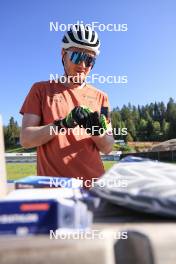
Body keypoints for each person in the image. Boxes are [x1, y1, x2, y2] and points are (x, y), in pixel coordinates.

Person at [20, 24, 114, 187]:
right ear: (63, 54)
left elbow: (108, 147)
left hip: (94, 187)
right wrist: (63, 124)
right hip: (54, 190)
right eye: (77, 56)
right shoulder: (40, 90)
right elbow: (26, 139)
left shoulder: (102, 98)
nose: (83, 65)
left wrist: (95, 131)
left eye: (89, 59)